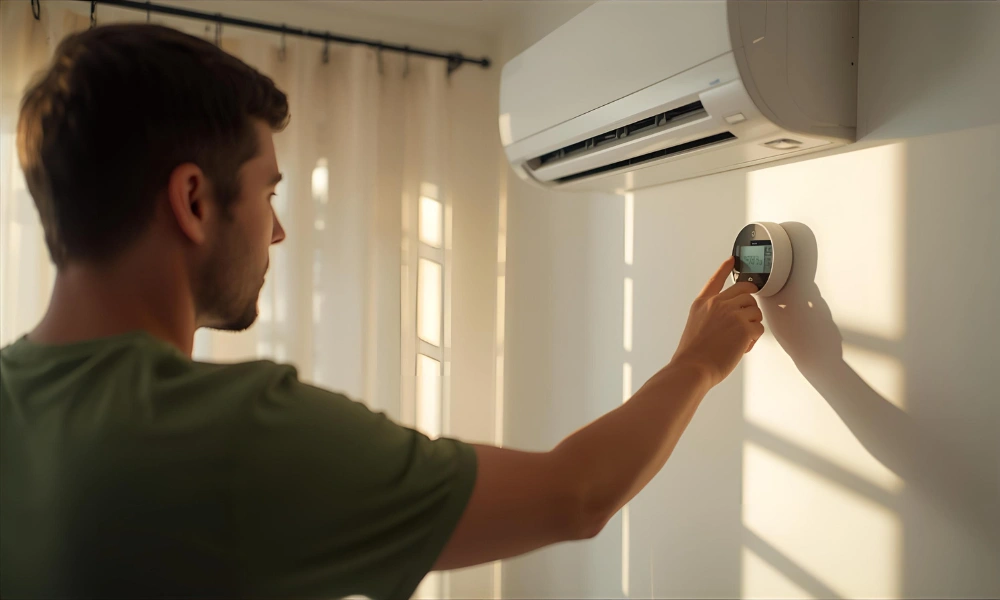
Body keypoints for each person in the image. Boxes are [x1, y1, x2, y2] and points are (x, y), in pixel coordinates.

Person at [0, 24, 763, 600]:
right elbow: (575, 494)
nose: (277, 230)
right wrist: (698, 362)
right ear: (194, 200)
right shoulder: (234, 436)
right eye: (269, 193)